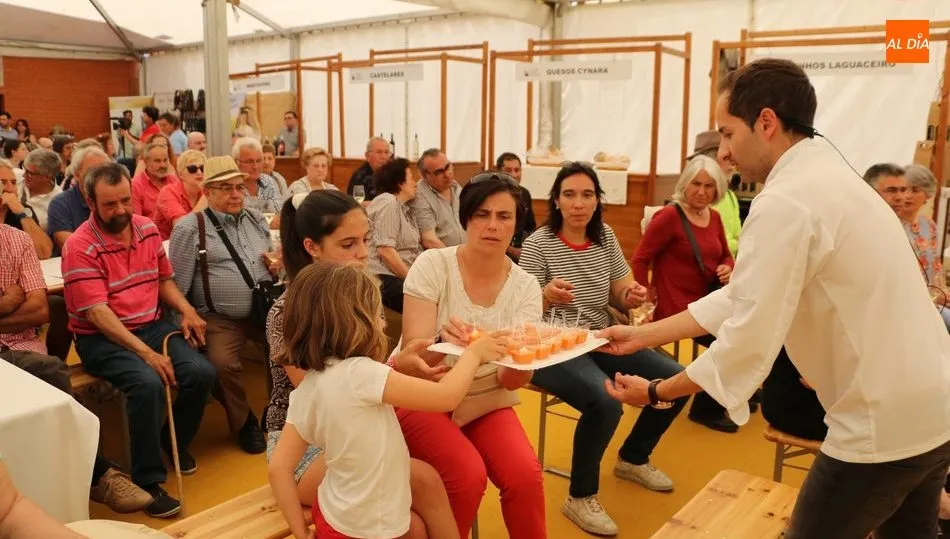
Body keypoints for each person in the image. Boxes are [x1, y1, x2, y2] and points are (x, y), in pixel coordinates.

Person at [598, 58, 950, 539]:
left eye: (727, 133)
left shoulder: (786, 200)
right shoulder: (830, 174)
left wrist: (657, 392)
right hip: (934, 400)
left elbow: (748, 337)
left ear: (766, 122)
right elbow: (745, 294)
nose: (723, 152)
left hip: (881, 419)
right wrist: (644, 335)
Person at [265, 190, 461, 538]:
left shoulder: (350, 295)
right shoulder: (290, 311)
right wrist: (400, 367)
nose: (363, 253)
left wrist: (401, 362)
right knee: (423, 481)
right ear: (312, 247)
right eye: (348, 244)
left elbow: (357, 378)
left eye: (366, 240)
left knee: (420, 506)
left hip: (346, 424)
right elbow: (332, 393)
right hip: (306, 443)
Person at [518, 162, 685, 536]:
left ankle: (633, 458)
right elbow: (521, 313)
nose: (578, 203)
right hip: (550, 346)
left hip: (601, 337)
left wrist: (630, 294)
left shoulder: (605, 237)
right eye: (569, 194)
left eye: (587, 195)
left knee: (678, 380)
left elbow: (621, 289)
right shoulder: (538, 244)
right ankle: (580, 497)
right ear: (556, 201)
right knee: (606, 400)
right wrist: (545, 295)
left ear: (597, 201)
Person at [273, 263, 500, 539]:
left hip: (334, 519)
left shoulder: (308, 388)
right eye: (377, 314)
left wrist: (299, 531)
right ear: (355, 321)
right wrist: (474, 355)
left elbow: (279, 468)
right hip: (373, 527)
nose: (382, 323)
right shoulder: (362, 374)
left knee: (416, 526)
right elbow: (447, 397)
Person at [63, 162, 217, 518]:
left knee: (202, 372)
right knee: (147, 384)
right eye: (110, 204)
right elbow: (98, 314)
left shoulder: (147, 229)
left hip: (151, 324)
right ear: (90, 201)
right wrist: (148, 354)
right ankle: (148, 481)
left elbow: (163, 280)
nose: (121, 210)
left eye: (125, 200)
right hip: (102, 337)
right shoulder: (79, 246)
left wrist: (187, 310)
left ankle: (170, 440)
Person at [400, 173, 547, 538]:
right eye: (482, 214)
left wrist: (524, 360)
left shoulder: (526, 286)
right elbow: (413, 360)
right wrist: (441, 341)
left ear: (516, 223)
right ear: (466, 218)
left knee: (525, 476)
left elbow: (510, 380)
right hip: (424, 392)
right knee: (466, 475)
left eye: (504, 216)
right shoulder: (433, 264)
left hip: (485, 396)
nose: (492, 225)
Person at [0, 219, 153, 515]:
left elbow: (40, 310)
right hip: (22, 356)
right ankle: (100, 475)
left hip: (19, 346)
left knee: (49, 372)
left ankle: (82, 477)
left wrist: (16, 303)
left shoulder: (17, 240)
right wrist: (8, 302)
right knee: (50, 375)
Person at [169, 155, 278, 454]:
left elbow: (269, 258)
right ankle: (245, 423)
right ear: (207, 192)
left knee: (291, 348)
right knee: (221, 363)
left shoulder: (256, 219)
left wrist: (275, 266)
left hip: (262, 308)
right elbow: (176, 285)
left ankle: (280, 412)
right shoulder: (190, 228)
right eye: (226, 188)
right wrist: (184, 320)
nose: (236, 194)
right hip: (218, 317)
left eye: (239, 187)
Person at [632, 155, 736, 432]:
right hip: (675, 307)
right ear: (685, 185)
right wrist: (645, 297)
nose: (702, 191)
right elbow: (640, 258)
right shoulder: (669, 216)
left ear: (717, 189)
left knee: (738, 334)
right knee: (730, 340)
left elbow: (726, 255)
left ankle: (719, 395)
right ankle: (706, 406)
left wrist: (727, 267)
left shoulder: (714, 217)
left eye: (709, 186)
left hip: (706, 302)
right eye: (696, 184)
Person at [367, 158, 422, 313]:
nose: (415, 184)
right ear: (400, 183)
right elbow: (386, 251)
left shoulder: (404, 209)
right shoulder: (388, 202)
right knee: (428, 304)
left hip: (398, 277)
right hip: (384, 279)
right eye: (411, 179)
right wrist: (413, 281)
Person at [900, 164, 950, 331]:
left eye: (915, 190)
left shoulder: (928, 225)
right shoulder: (891, 225)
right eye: (903, 189)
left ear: (927, 195)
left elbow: (935, 266)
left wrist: (943, 293)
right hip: (909, 302)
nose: (907, 195)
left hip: (934, 299)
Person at [687, 130, 742, 257]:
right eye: (726, 158)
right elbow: (707, 242)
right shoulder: (698, 197)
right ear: (711, 162)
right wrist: (740, 243)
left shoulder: (730, 196)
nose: (732, 163)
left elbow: (738, 235)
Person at [47, 146, 109, 254]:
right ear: (76, 175)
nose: (100, 177)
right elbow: (67, 243)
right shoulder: (61, 203)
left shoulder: (115, 200)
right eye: (93, 171)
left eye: (105, 171)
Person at [411, 148, 465, 249]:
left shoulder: (456, 187)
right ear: (424, 176)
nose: (447, 174)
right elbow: (429, 240)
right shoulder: (419, 196)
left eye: (448, 167)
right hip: (441, 256)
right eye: (439, 172)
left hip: (466, 252)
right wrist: (453, 257)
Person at [0, 159, 53, 260]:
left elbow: (44, 253)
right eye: (3, 182)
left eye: (13, 182)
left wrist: (22, 213)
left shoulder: (23, 210)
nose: (11, 188)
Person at [154, 150, 207, 240]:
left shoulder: (203, 192)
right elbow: (183, 228)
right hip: (167, 244)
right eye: (192, 169)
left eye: (202, 168)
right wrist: (206, 196)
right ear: (180, 174)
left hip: (196, 242)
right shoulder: (168, 192)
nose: (199, 172)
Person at [495, 152, 536, 261]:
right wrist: (511, 250)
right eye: (508, 170)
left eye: (517, 170)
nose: (514, 175)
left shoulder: (525, 194)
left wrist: (528, 248)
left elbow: (530, 227)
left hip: (522, 253)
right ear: (499, 172)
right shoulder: (491, 197)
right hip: (498, 253)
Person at [232, 137, 282, 214]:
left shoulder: (268, 182)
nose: (255, 166)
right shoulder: (232, 188)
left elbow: (279, 212)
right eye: (249, 161)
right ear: (236, 162)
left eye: (259, 161)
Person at [18, 149, 63, 234]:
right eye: (24, 169)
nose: (24, 175)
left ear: (47, 177)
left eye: (29, 173)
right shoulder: (13, 178)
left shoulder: (59, 202)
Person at [131, 143, 179, 222]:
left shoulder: (174, 181)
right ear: (146, 162)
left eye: (165, 160)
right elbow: (137, 221)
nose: (163, 165)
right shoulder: (136, 185)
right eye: (157, 161)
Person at [347, 137, 392, 202]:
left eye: (386, 152)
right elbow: (357, 203)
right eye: (379, 152)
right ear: (367, 156)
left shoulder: (393, 173)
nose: (383, 157)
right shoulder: (359, 177)